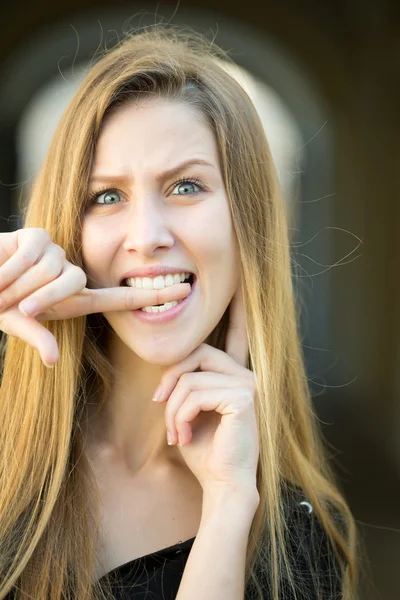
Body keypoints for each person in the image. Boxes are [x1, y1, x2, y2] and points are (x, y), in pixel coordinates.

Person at [0, 24, 358, 600]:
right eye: (107, 196)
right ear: (70, 230)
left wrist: (228, 506)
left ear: (249, 223)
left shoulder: (297, 542)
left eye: (186, 186)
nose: (146, 237)